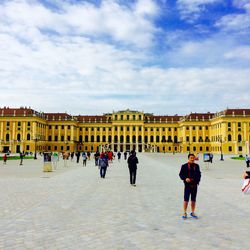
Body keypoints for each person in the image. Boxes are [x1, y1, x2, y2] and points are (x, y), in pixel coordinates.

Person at [179, 153, 201, 219]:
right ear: (188, 158)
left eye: (193, 158)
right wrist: (185, 178)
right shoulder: (184, 166)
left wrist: (197, 181)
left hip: (194, 185)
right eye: (191, 158)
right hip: (187, 186)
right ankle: (184, 212)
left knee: (193, 200)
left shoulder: (197, 166)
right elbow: (181, 174)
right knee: (186, 199)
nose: (192, 159)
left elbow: (199, 175)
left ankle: (192, 212)